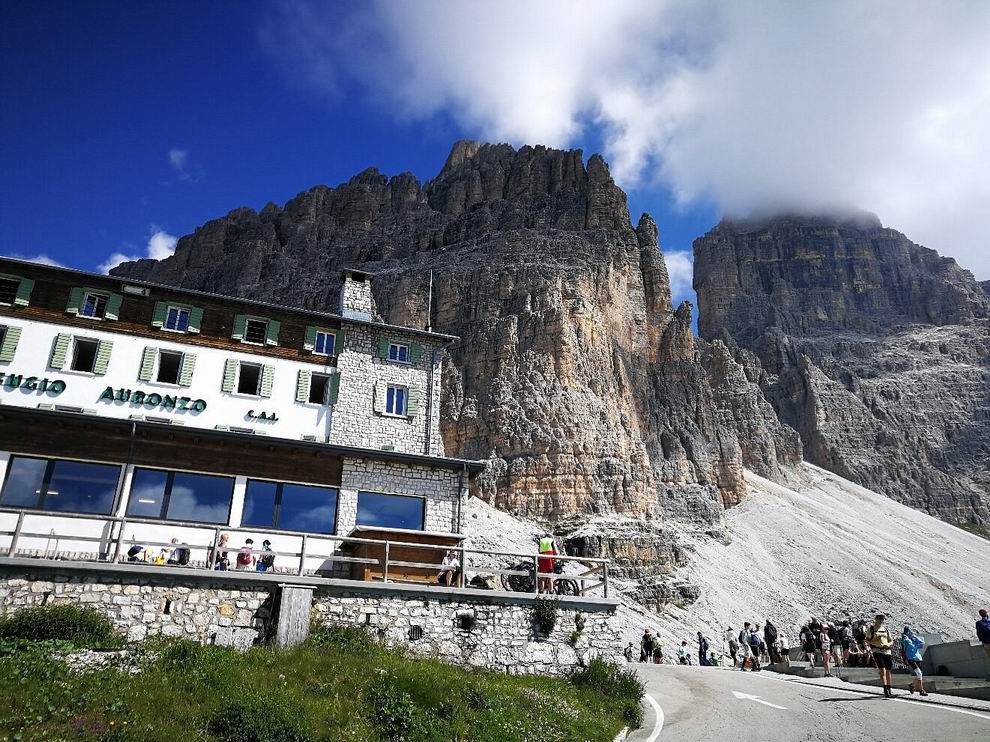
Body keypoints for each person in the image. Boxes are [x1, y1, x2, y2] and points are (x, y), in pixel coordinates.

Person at [866, 614, 896, 697]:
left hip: (887, 651)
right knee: (882, 670)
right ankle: (885, 689)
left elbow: (891, 641)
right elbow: (867, 641)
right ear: (875, 619)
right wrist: (875, 640)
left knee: (888, 670)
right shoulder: (871, 629)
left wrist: (888, 644)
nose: (881, 620)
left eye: (882, 619)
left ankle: (889, 689)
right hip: (877, 650)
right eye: (879, 619)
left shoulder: (886, 629)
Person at [901, 626, 928, 696]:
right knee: (919, 673)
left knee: (919, 675)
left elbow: (922, 643)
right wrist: (904, 659)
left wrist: (914, 636)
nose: (909, 633)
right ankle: (921, 690)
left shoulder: (914, 639)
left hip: (918, 658)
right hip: (911, 658)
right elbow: (903, 650)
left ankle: (912, 685)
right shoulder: (904, 639)